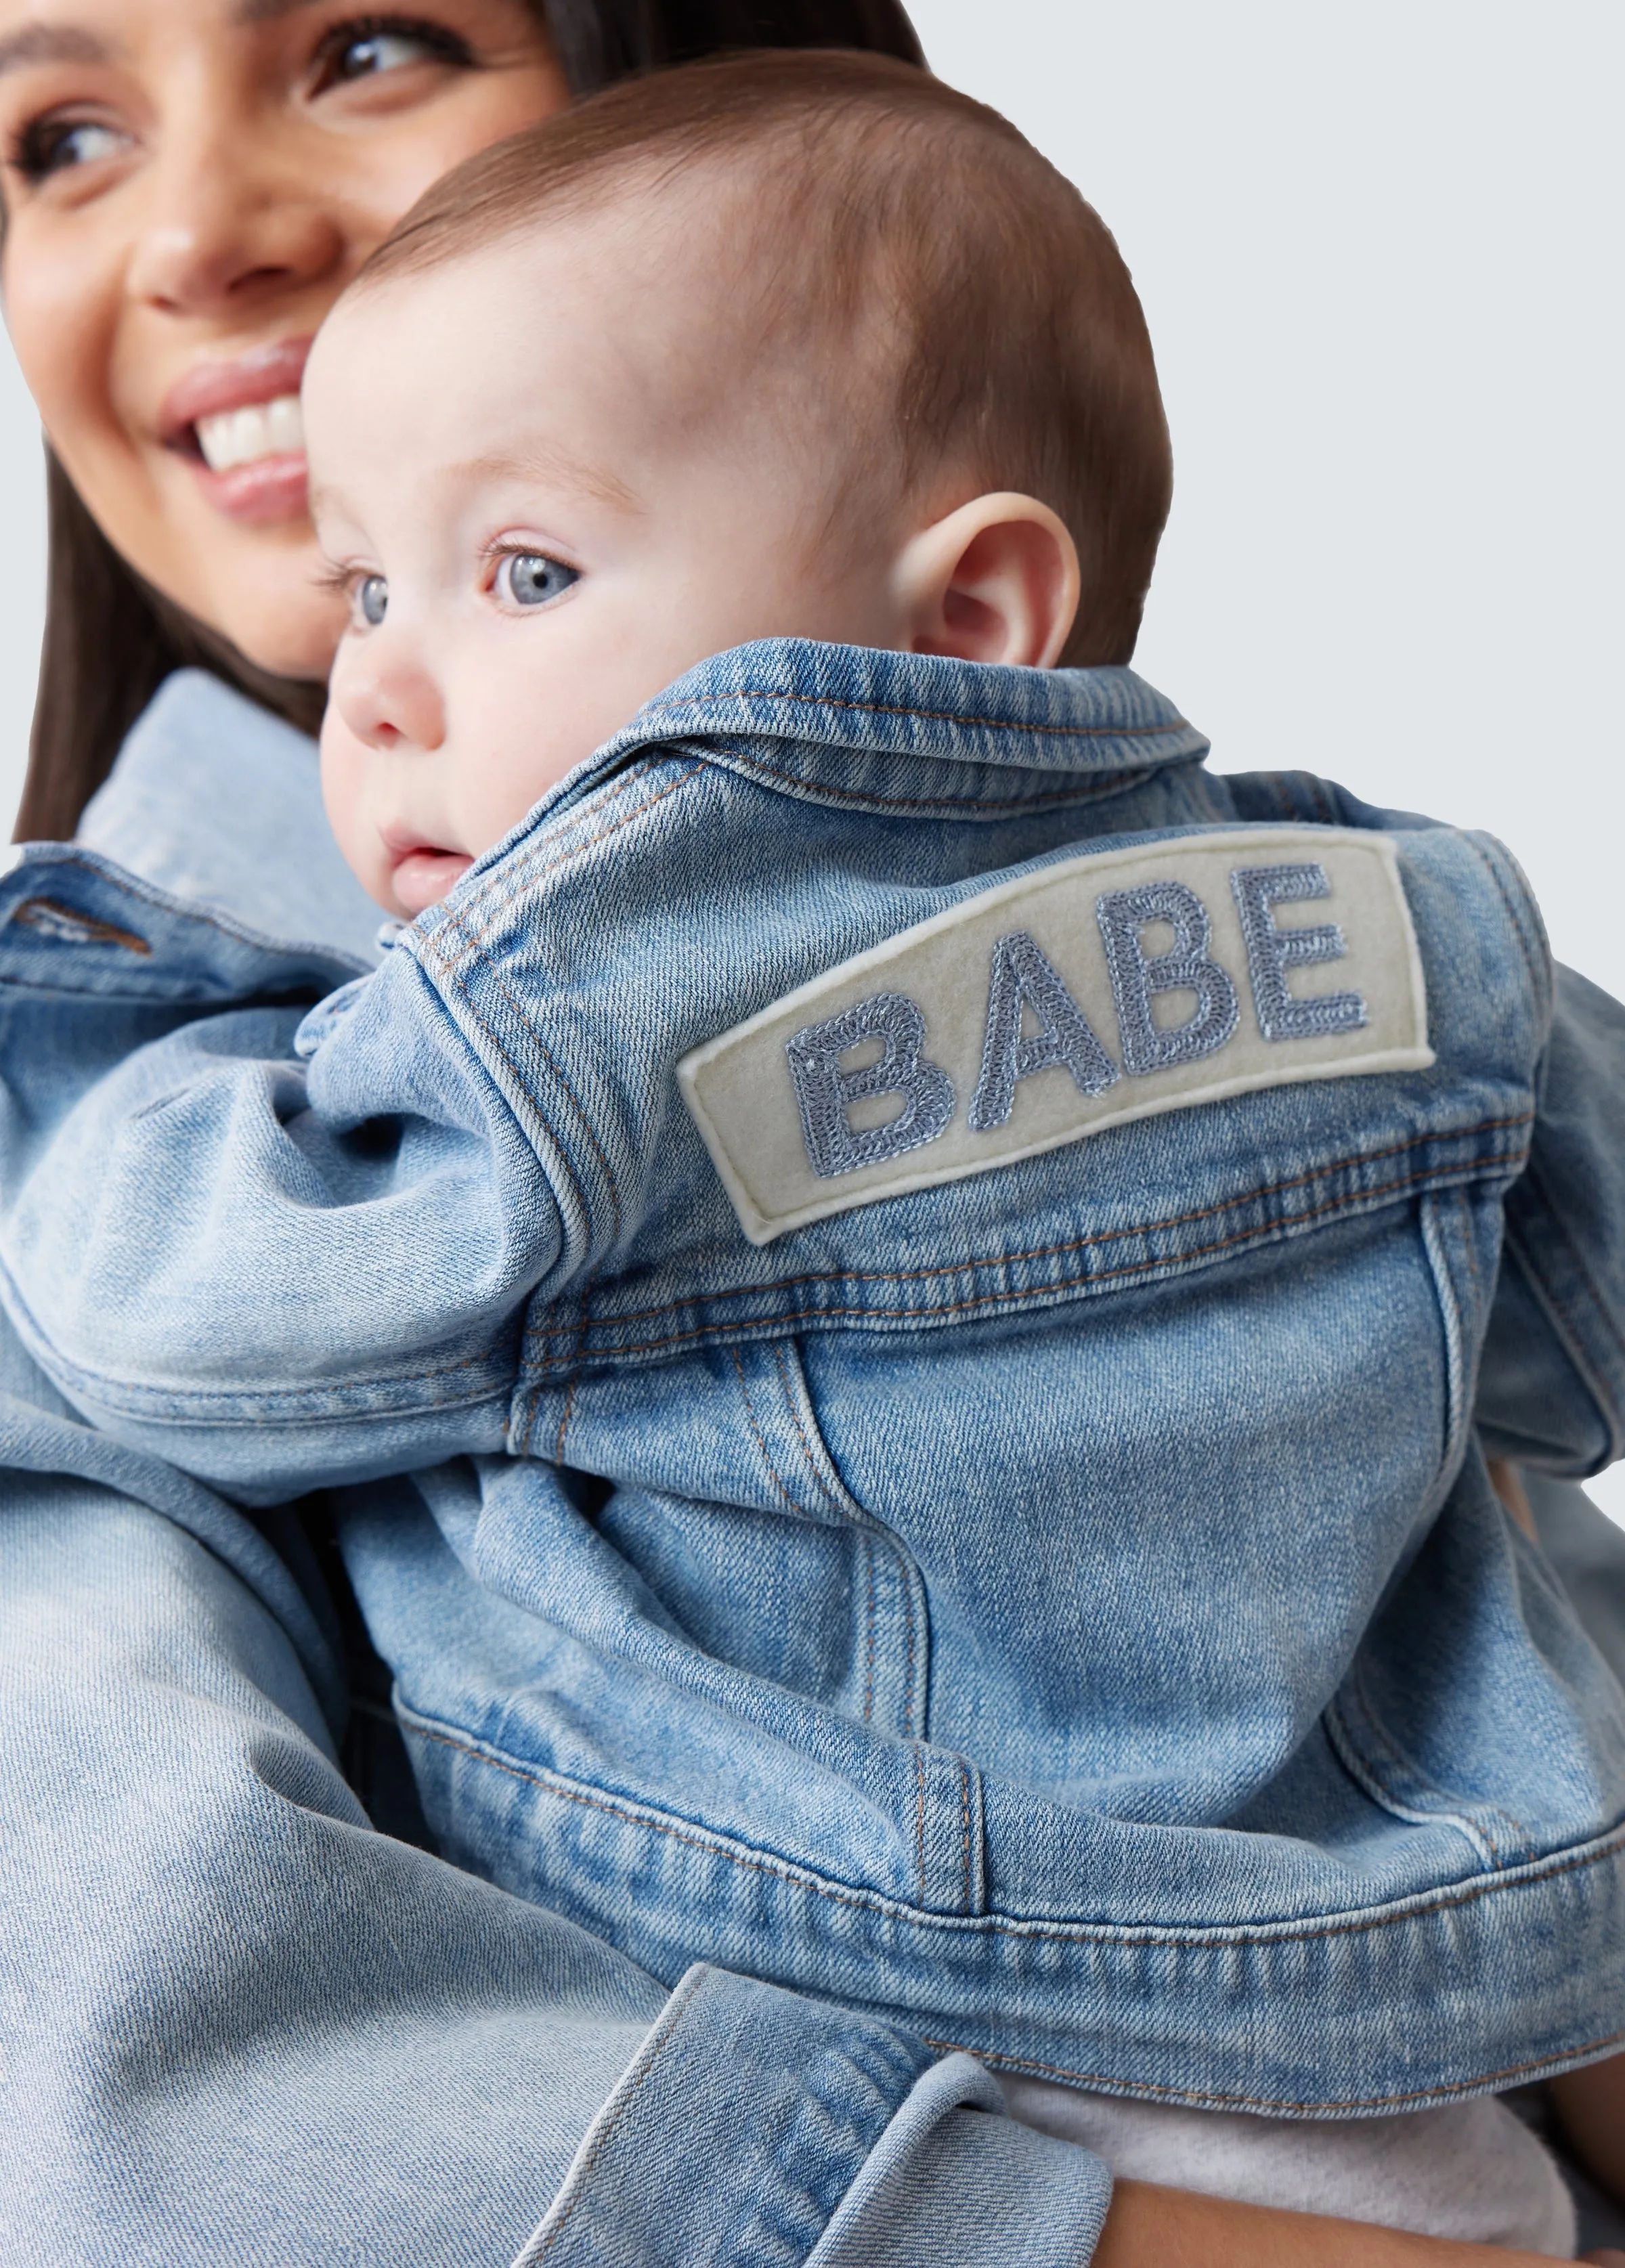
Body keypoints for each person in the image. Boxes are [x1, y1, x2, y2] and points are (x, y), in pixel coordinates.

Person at [5, 48, 1625, 2258]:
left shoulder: (530, 1064)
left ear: (970, 617)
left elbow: (152, 1306)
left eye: (525, 567)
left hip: (958, 2009)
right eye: (56, 134)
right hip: (1409, 2099)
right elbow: (137, 2059)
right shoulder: (1404, 917)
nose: (202, 230)